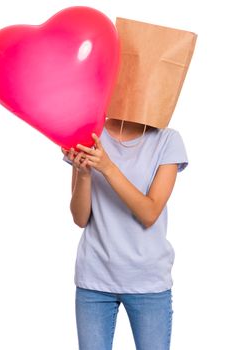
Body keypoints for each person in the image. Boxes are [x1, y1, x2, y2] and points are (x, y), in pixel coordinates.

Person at [61, 116, 188, 350]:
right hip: (94, 279)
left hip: (148, 282)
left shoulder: (167, 140)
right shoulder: (89, 133)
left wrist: (108, 167)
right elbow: (80, 219)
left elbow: (149, 213)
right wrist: (85, 174)